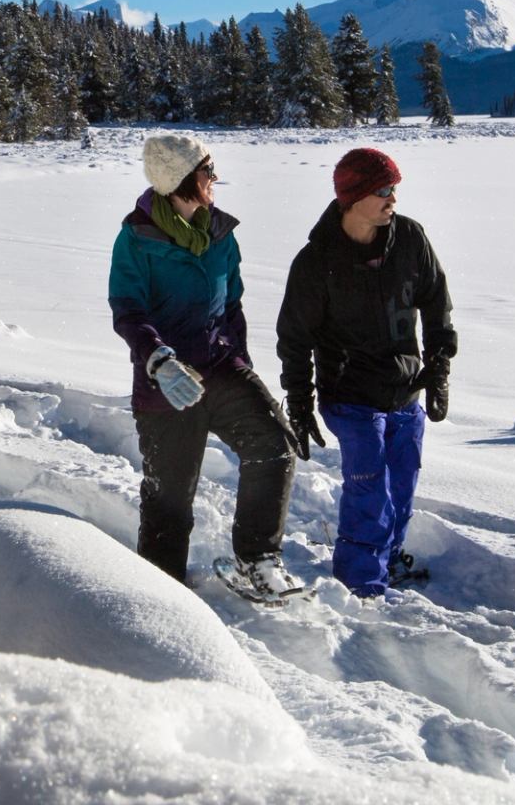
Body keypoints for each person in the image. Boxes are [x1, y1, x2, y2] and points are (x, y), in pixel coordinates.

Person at [108, 133, 301, 597]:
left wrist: (243, 366)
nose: (214, 178)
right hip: (165, 384)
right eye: (205, 170)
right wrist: (159, 360)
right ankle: (160, 592)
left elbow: (231, 306)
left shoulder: (221, 233)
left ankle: (257, 560)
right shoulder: (135, 239)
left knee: (274, 446)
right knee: (169, 500)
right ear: (179, 179)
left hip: (220, 366)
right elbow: (128, 312)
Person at [277, 147, 455, 598]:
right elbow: (295, 339)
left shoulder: (410, 238)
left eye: (394, 187)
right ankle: (360, 584)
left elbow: (437, 304)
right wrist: (299, 404)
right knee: (370, 489)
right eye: (382, 189)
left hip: (405, 388)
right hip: (349, 393)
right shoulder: (316, 262)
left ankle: (388, 561)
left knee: (402, 485)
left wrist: (438, 369)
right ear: (352, 197)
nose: (392, 196)